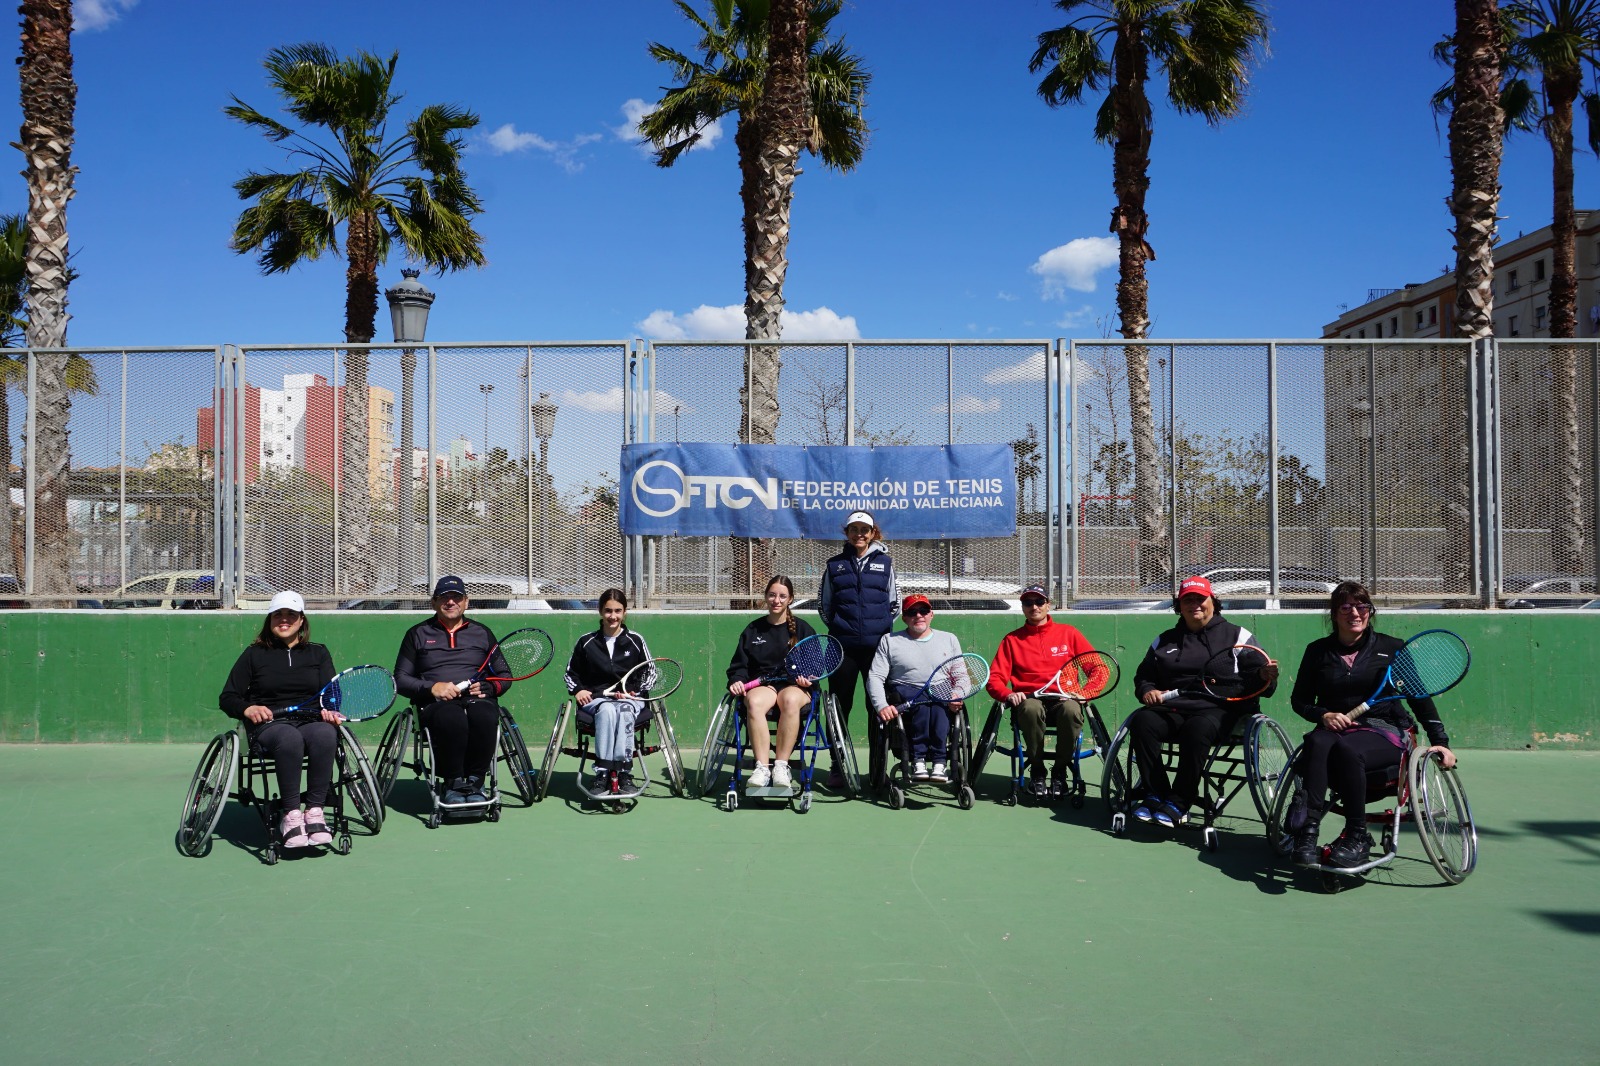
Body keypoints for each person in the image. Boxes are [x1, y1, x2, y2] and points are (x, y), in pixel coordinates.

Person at [1286, 580, 1455, 868]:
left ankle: (1357, 835)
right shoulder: (1317, 651)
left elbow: (1419, 698)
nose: (1355, 613)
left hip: (1383, 729)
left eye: (1362, 606)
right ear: (1334, 614)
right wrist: (1323, 715)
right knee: (1315, 741)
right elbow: (1299, 701)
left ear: (1370, 612)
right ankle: (1307, 833)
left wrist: (1441, 742)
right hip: (1334, 729)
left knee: (1348, 749)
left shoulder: (1392, 648)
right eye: (1346, 607)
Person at [1128, 576, 1278, 829]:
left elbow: (1264, 685)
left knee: (1196, 728)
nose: (1194, 604)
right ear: (1179, 606)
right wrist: (1147, 690)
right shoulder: (1164, 640)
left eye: (1200, 599)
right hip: (1173, 707)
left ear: (1213, 602)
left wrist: (1264, 676)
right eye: (1188, 600)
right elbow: (1144, 676)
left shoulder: (1238, 635)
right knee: (1143, 721)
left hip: (1220, 709)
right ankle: (1155, 794)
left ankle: (1179, 801)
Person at [218, 590, 339, 849]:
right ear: (270, 620)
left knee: (326, 733)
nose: (284, 620)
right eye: (278, 615)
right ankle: (291, 815)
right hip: (269, 725)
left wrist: (331, 709)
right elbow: (228, 697)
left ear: (301, 620)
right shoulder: (254, 654)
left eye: (291, 615)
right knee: (289, 737)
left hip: (310, 721)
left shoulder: (318, 653)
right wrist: (248, 709)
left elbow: (331, 695)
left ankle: (315, 811)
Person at [394, 576, 513, 806]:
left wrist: (490, 687)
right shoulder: (417, 634)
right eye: (444, 598)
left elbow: (504, 675)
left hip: (477, 699)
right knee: (452, 718)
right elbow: (400, 679)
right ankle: (453, 781)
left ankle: (476, 781)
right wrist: (432, 688)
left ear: (466, 602)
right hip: (435, 704)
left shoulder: (482, 633)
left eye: (456, 597)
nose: (450, 602)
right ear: (434, 603)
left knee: (484, 715)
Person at [984, 583, 1099, 798]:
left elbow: (1098, 668)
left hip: (1064, 700)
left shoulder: (1069, 633)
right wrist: (1008, 694)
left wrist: (1087, 693)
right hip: (1030, 701)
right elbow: (995, 679)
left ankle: (1060, 771)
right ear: (1023, 607)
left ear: (1048, 604)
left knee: (1071, 710)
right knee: (1031, 708)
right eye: (1028, 602)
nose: (1034, 606)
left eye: (1039, 601)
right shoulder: (1012, 640)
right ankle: (1037, 770)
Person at [818, 510, 899, 787]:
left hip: (877, 650)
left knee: (877, 706)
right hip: (842, 648)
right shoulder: (834, 565)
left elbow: (895, 604)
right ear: (847, 533)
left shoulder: (886, 564)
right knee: (840, 707)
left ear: (873, 533)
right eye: (854, 529)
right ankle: (837, 764)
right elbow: (824, 606)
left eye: (865, 530)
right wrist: (842, 628)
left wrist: (881, 630)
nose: (859, 534)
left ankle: (878, 767)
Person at [726, 575, 817, 791]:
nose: (777, 600)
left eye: (782, 596)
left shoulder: (803, 629)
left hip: (796, 687)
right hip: (764, 686)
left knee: (790, 700)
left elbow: (814, 666)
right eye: (772, 595)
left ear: (790, 599)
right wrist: (737, 680)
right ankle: (762, 768)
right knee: (754, 702)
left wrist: (807, 679)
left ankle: (781, 767)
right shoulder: (753, 630)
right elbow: (739, 666)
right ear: (766, 597)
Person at [865, 594, 967, 783]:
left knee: (938, 703)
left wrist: (957, 694)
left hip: (941, 689)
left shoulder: (949, 639)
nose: (918, 615)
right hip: (905, 689)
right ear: (904, 618)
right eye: (912, 612)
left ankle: (939, 762)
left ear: (931, 615)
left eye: (923, 611)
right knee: (922, 702)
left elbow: (961, 676)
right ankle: (918, 760)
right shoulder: (890, 640)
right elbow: (875, 676)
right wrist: (881, 706)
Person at [564, 588, 654, 794]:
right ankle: (602, 773)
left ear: (625, 612)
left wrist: (634, 691)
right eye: (608, 611)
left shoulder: (636, 640)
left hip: (630, 698)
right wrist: (578, 690)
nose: (613, 616)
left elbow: (650, 672)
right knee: (607, 710)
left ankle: (624, 772)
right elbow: (570, 674)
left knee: (623, 710)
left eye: (618, 611)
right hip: (597, 699)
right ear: (600, 611)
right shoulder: (586, 642)